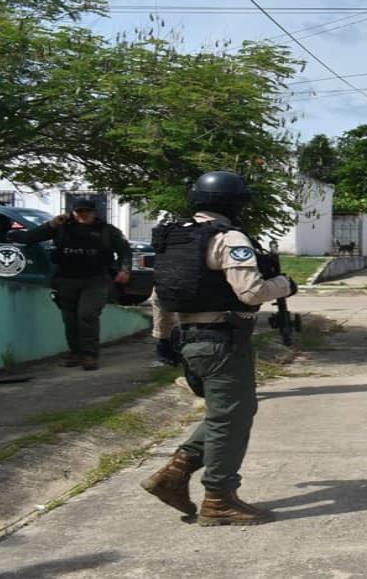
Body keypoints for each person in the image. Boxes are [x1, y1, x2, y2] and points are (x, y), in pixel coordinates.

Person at [141, 171, 297, 526]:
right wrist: (285, 285)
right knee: (232, 419)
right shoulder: (229, 238)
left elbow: (159, 297)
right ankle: (219, 499)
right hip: (222, 341)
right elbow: (251, 292)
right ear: (234, 204)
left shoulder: (175, 238)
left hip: (188, 341)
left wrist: (162, 340)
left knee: (227, 414)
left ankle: (174, 474)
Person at [5, 198, 131, 371]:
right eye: (79, 211)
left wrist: (124, 270)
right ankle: (76, 353)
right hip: (66, 279)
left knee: (87, 316)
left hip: (95, 279)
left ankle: (90, 355)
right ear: (73, 212)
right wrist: (50, 225)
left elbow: (124, 250)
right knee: (70, 319)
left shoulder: (106, 230)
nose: (83, 215)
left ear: (94, 212)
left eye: (87, 211)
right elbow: (30, 238)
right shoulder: (61, 228)